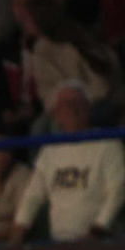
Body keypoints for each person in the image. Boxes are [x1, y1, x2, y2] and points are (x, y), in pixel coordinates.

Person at [12, 84, 125, 242]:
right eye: (66, 104)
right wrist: (19, 228)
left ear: (88, 108)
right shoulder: (50, 150)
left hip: (103, 240)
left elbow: (117, 190)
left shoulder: (108, 144)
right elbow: (33, 194)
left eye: (77, 103)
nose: (72, 109)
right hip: (60, 240)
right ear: (56, 114)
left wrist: (98, 229)